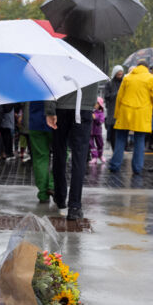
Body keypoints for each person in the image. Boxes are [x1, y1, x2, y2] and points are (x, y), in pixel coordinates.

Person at [45, 36, 106, 220]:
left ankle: (61, 197)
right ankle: (75, 206)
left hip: (61, 103)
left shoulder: (61, 43)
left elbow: (50, 75)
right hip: (85, 105)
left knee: (59, 153)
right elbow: (103, 72)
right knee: (80, 156)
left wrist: (49, 108)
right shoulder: (99, 44)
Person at [108, 59, 153, 174]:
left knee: (120, 139)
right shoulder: (151, 78)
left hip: (125, 112)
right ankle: (137, 168)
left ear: (137, 67)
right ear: (147, 68)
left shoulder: (127, 77)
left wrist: (116, 114)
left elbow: (119, 98)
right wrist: (151, 102)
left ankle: (115, 165)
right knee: (139, 141)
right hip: (142, 113)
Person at [23, 100, 54, 202]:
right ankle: (52, 184)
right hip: (54, 119)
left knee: (40, 157)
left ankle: (43, 193)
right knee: (62, 153)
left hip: (35, 120)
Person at [103, 64, 124, 151]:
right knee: (112, 133)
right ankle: (114, 149)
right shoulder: (109, 83)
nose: (120, 75)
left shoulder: (125, 82)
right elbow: (106, 96)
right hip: (112, 111)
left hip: (123, 111)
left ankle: (118, 150)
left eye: (121, 74)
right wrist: (117, 93)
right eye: (118, 74)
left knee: (121, 132)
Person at [89, 97, 106, 163]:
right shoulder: (91, 112)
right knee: (91, 144)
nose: (95, 105)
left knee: (100, 144)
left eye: (96, 103)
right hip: (91, 132)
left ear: (99, 105)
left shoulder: (101, 113)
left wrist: (95, 118)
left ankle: (100, 155)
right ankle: (94, 157)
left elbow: (101, 122)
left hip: (98, 132)